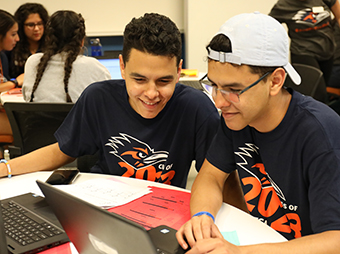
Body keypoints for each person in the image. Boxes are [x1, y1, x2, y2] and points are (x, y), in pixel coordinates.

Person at [176, 12, 340, 254]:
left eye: (233, 89)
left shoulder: (321, 134)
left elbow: (336, 246)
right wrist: (202, 217)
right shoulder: (237, 118)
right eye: (213, 86)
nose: (218, 102)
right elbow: (210, 177)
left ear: (275, 81)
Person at [0, 13, 220, 189]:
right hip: (103, 204)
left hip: (162, 211)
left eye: (164, 81)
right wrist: (5, 168)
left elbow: (215, 178)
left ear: (179, 70)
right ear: (122, 67)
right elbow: (61, 151)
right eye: (139, 79)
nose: (151, 93)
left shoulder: (197, 109)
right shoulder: (98, 97)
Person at [22, 10, 111, 103]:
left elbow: (26, 98)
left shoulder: (33, 62)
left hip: (37, 118)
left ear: (48, 38)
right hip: (80, 118)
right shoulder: (94, 67)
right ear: (82, 41)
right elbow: (107, 102)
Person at [269, 0, 340, 103]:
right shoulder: (283, 5)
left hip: (327, 51)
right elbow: (270, 26)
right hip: (303, 52)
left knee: (323, 91)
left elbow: (338, 17)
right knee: (316, 93)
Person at [8, 3, 49, 78]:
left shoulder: (51, 47)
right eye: (31, 25)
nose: (36, 29)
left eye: (40, 24)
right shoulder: (11, 47)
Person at [0, 10, 21, 144]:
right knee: (27, 128)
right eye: (13, 34)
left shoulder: (2, 57)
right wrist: (16, 82)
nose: (17, 39)